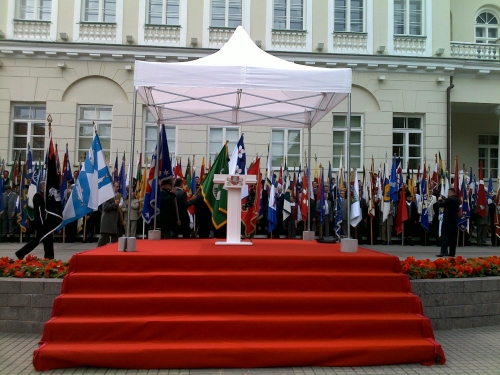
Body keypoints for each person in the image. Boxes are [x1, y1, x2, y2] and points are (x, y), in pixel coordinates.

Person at [15, 181, 60, 259]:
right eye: (46, 185)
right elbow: (38, 210)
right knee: (40, 239)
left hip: (46, 222)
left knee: (44, 239)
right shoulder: (38, 195)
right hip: (41, 222)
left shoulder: (45, 196)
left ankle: (48, 256)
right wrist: (42, 222)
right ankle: (21, 252)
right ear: (42, 186)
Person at [436, 188, 460, 257]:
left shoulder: (449, 199)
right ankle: (452, 252)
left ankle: (443, 251)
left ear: (450, 192)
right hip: (454, 220)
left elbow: (440, 204)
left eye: (448, 192)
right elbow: (448, 204)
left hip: (447, 220)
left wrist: (440, 200)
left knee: (445, 236)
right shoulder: (457, 200)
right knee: (453, 237)